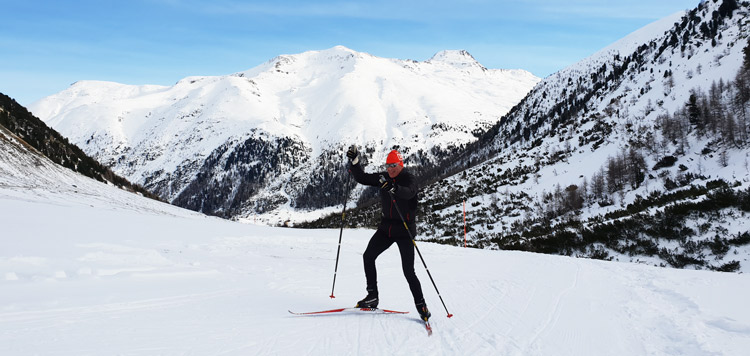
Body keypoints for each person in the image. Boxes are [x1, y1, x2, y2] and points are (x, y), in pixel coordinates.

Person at [346, 145, 431, 321]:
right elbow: (362, 178)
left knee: (408, 271)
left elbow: (409, 193)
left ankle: (421, 306)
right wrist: (354, 163)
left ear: (401, 164)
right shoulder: (384, 177)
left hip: (404, 230)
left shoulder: (409, 178)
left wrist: (394, 189)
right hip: (386, 228)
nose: (390, 169)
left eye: (394, 165)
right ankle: (372, 297)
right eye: (388, 166)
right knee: (368, 256)